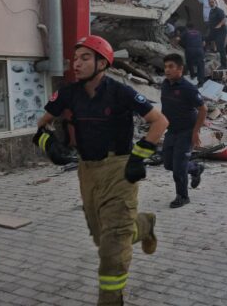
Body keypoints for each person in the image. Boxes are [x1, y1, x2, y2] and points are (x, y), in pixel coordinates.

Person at [33, 35, 168, 305]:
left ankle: (111, 299)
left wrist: (138, 158)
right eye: (76, 59)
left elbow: (159, 122)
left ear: (102, 63)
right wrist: (50, 145)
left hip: (118, 170)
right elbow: (42, 125)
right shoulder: (69, 93)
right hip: (88, 172)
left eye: (85, 58)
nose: (77, 64)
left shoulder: (121, 92)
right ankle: (144, 224)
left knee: (112, 247)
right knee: (101, 236)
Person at [161, 54, 208, 208]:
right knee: (168, 164)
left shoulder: (188, 88)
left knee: (178, 169)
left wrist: (195, 132)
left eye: (171, 67)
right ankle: (195, 168)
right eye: (166, 66)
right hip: (171, 130)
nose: (167, 70)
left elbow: (203, 109)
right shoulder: (165, 85)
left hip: (186, 131)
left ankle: (182, 196)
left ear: (180, 69)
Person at [207, 0, 227, 69]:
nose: (211, 3)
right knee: (205, 39)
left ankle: (224, 65)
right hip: (213, 31)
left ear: (215, 3)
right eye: (210, 2)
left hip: (221, 31)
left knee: (220, 47)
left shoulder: (219, 10)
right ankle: (204, 57)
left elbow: (224, 19)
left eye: (212, 2)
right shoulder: (211, 11)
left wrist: (219, 25)